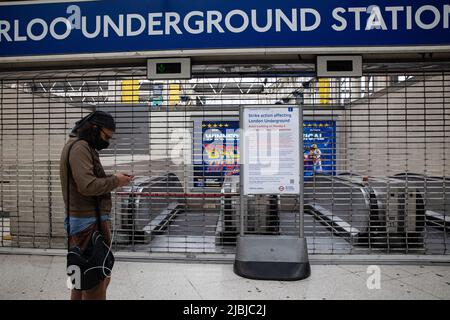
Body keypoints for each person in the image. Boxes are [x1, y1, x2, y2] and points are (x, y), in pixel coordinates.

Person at [60, 111, 133, 300]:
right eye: (106, 136)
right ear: (94, 128)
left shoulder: (80, 145)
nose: (107, 141)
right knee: (96, 280)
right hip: (87, 223)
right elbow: (87, 185)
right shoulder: (80, 147)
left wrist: (113, 179)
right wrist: (115, 181)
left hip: (83, 221)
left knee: (80, 280)